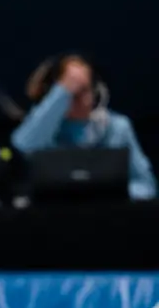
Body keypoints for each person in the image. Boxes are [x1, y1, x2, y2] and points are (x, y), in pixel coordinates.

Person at [11, 54, 156, 200]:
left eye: (84, 90)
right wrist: (62, 92)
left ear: (96, 91)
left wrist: (110, 195)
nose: (80, 99)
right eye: (73, 92)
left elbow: (147, 186)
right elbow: (23, 145)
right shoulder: (43, 129)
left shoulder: (118, 128)